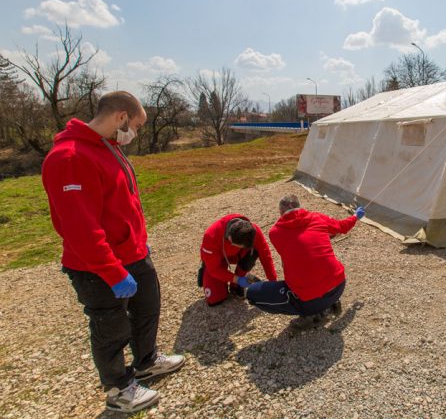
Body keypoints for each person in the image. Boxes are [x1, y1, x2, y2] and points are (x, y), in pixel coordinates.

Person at [41, 91, 184, 414]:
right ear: (121, 117)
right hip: (98, 266)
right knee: (110, 326)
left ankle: (146, 360)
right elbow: (80, 228)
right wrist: (112, 271)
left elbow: (123, 204)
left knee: (147, 307)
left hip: (132, 253)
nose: (135, 132)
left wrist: (137, 241)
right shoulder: (71, 157)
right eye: (135, 125)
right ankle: (119, 388)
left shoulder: (108, 149)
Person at [246, 194, 364, 328]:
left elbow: (293, 252)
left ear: (280, 212)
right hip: (338, 287)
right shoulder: (318, 218)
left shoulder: (275, 232)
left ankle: (310, 314)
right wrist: (355, 217)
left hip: (309, 301)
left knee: (252, 293)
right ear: (299, 206)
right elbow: (342, 227)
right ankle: (329, 304)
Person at [199, 214, 277, 306]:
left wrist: (273, 282)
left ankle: (236, 286)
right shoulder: (211, 236)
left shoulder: (253, 231)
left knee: (252, 253)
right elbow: (214, 269)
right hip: (216, 260)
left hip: (236, 255)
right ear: (230, 239)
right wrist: (238, 279)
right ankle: (205, 270)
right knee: (215, 300)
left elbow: (265, 256)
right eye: (240, 246)